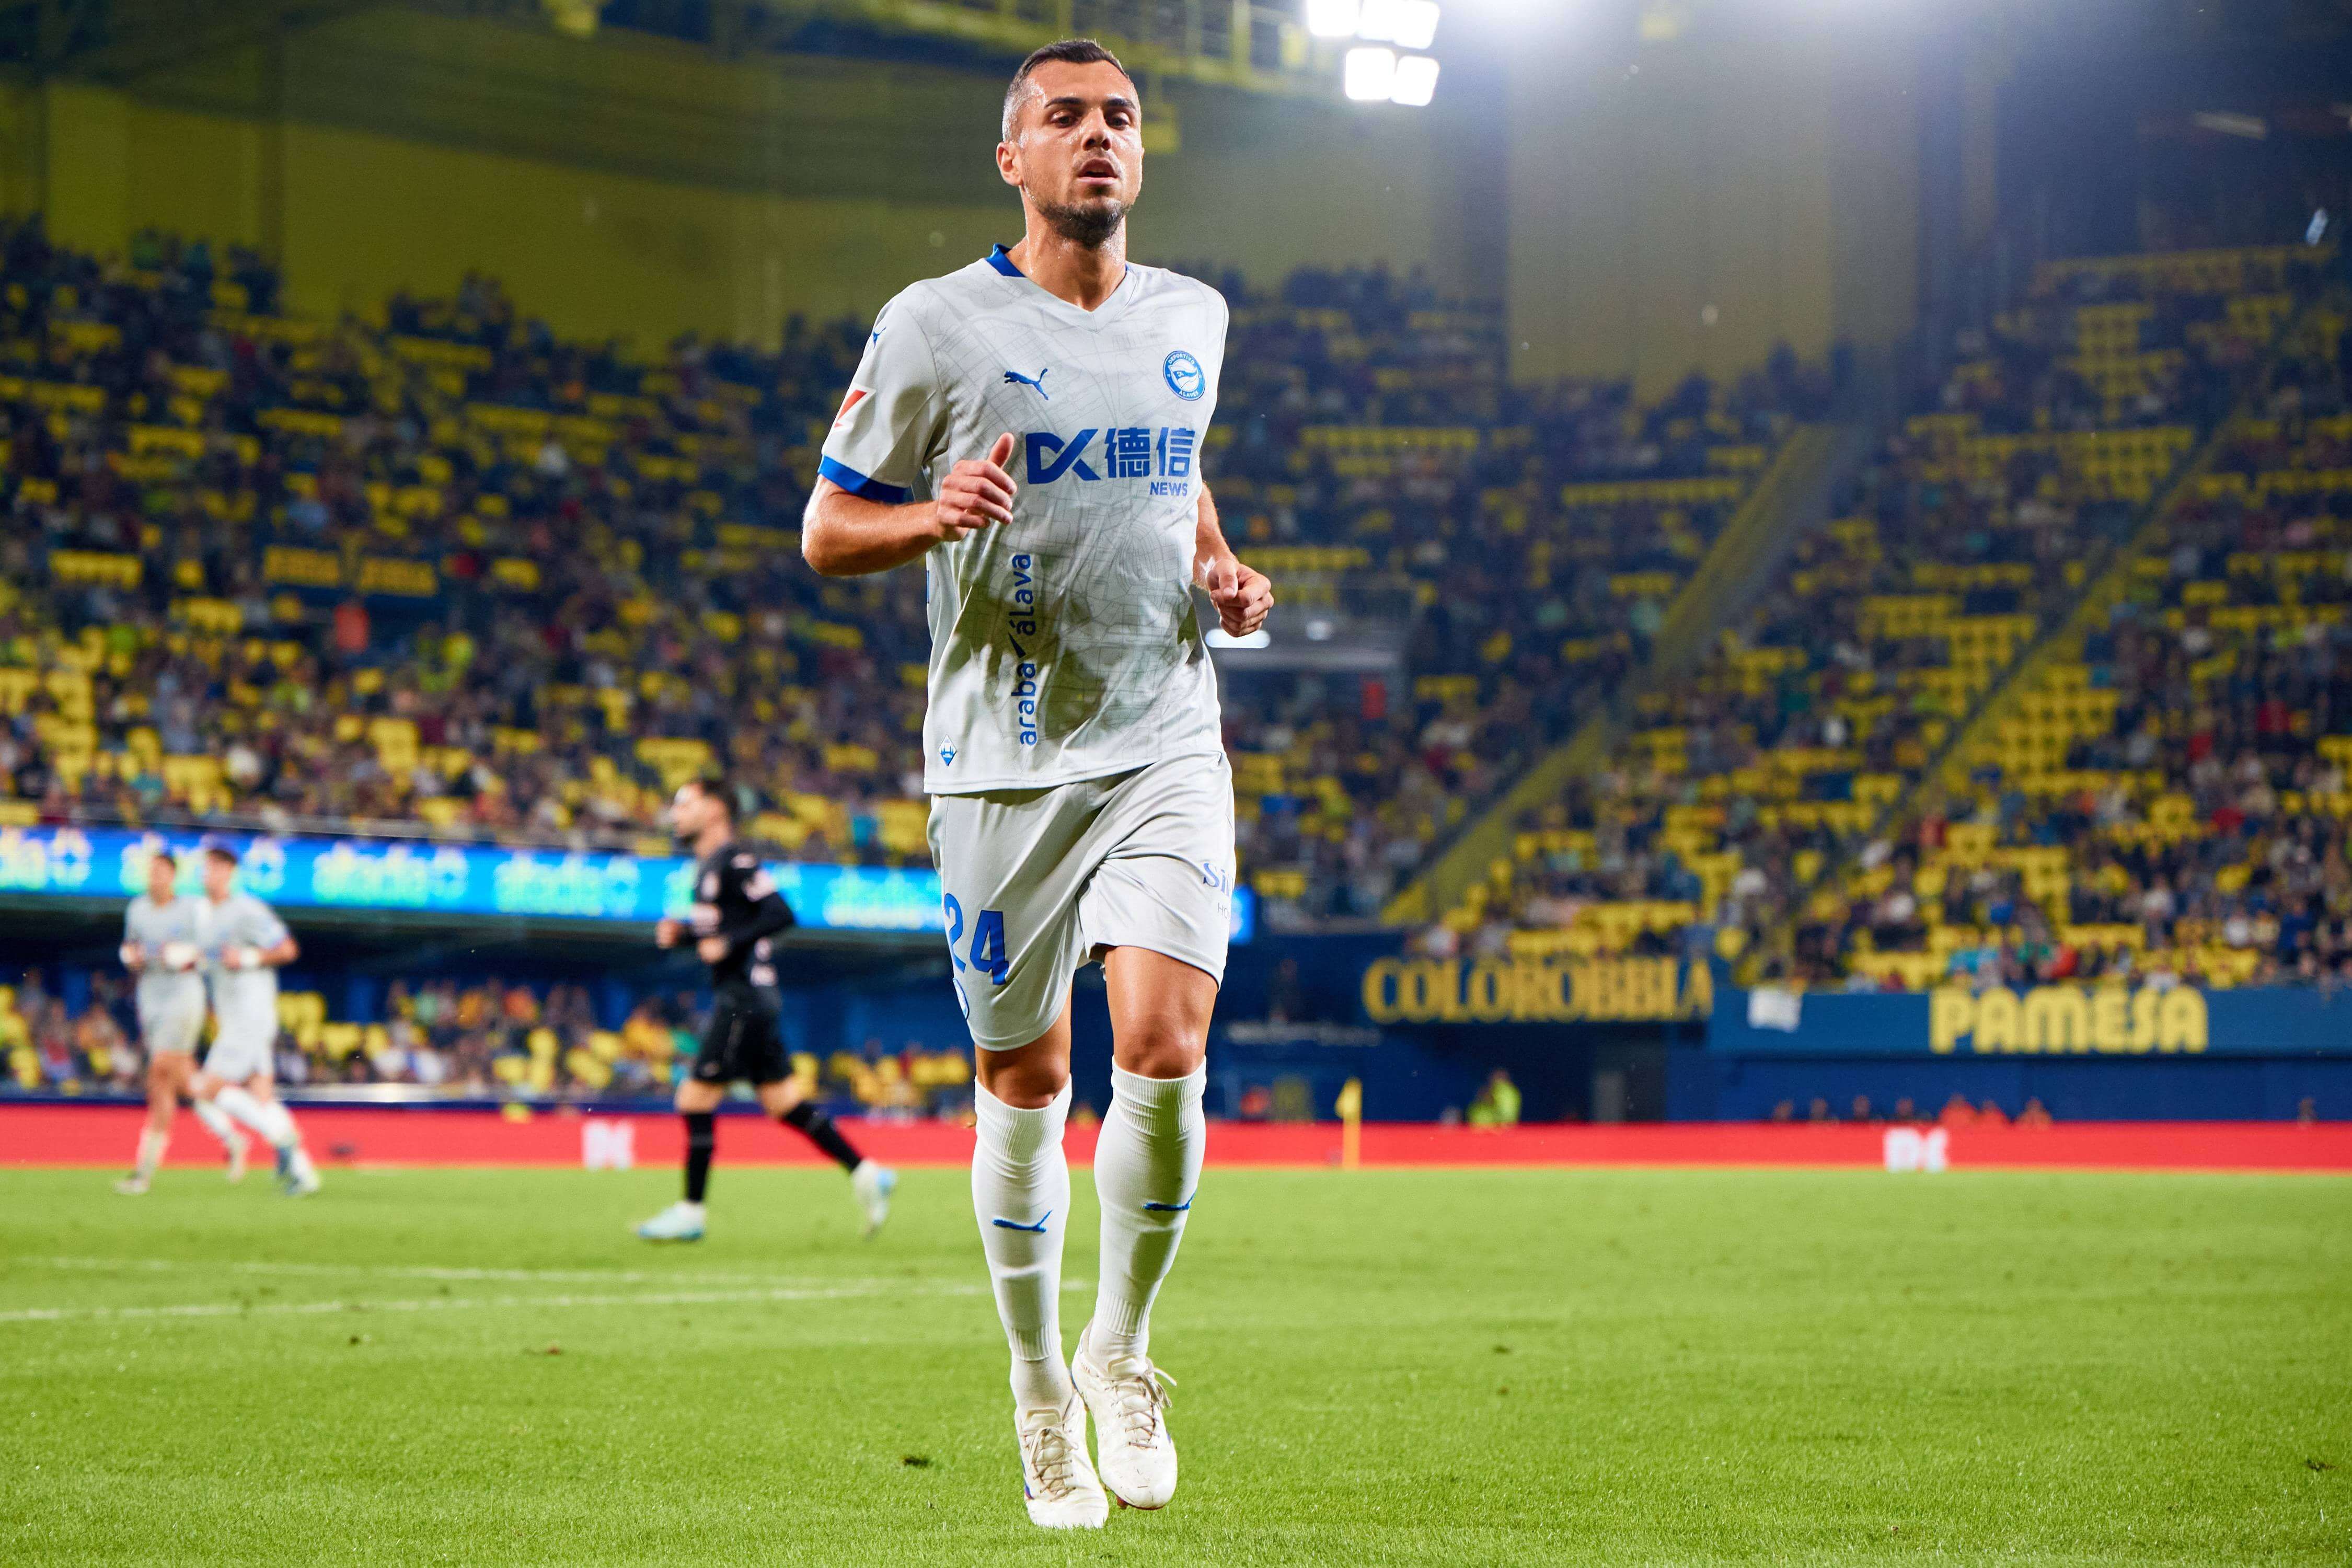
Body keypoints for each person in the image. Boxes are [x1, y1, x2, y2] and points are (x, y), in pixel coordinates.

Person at [802, 38, 1273, 1530]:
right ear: (1011, 158)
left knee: (1166, 1044)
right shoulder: (934, 325)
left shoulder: (1192, 315)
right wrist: (933, 514)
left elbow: (1177, 470)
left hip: (1163, 737)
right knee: (1025, 1081)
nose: (1096, 137)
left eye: (1118, 117)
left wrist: (1219, 568)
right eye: (1063, 117)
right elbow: (825, 529)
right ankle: (1033, 1386)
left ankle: (1119, 1352)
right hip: (1001, 762)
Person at [634, 778, 896, 1242]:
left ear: (716, 810)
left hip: (744, 1001)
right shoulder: (710, 868)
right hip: (752, 1000)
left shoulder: (736, 862)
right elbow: (728, 930)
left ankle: (691, 1213)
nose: (675, 814)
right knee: (784, 1103)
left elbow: (780, 913)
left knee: (694, 1099)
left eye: (685, 804)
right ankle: (865, 1171)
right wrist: (687, 936)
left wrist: (726, 942)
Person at [185, 843, 321, 1196]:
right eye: (205, 868)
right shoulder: (204, 915)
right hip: (237, 1018)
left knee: (204, 1091)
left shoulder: (247, 909)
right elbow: (210, 958)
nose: (207, 875)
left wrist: (246, 958)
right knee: (261, 1095)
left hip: (250, 1015)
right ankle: (304, 1175)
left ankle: (280, 1139)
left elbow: (287, 949)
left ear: (229, 872)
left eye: (214, 868)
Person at [114, 849, 249, 1194]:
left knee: (160, 1071)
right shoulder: (137, 909)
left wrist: (186, 956)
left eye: (161, 871)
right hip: (151, 996)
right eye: (151, 871)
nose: (154, 877)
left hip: (183, 995)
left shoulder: (192, 908)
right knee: (183, 1083)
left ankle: (144, 1171)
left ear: (173, 876)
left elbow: (211, 949)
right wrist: (132, 957)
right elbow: (130, 947)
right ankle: (232, 1137)